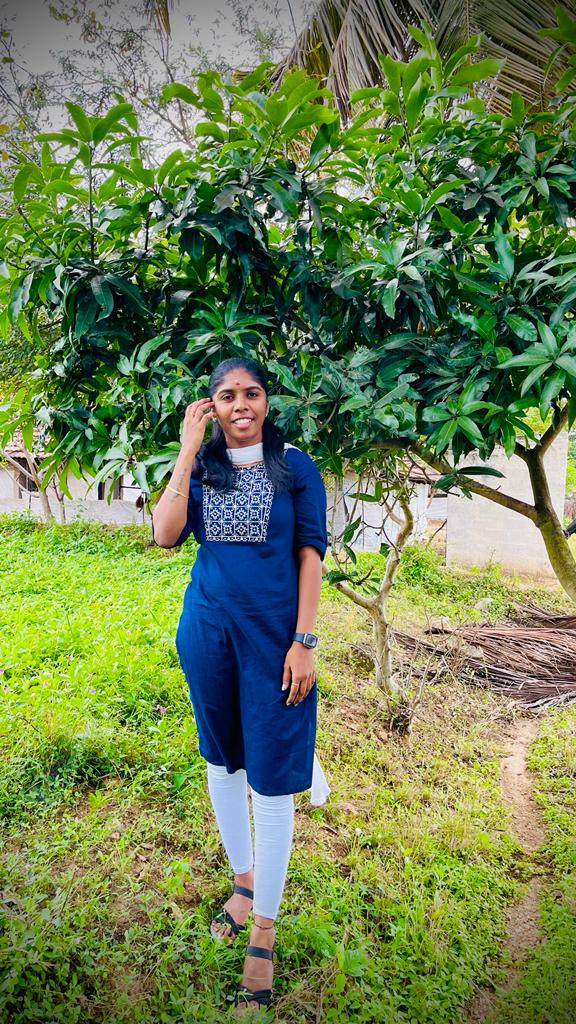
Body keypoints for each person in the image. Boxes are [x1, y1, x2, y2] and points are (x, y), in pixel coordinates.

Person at [151, 356, 329, 1014]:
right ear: (212, 406)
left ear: (267, 401)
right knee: (222, 760)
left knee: (272, 781)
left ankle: (264, 933)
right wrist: (187, 448)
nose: (240, 404)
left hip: (276, 642)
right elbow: (165, 534)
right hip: (209, 634)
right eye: (226, 396)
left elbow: (310, 553)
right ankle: (244, 881)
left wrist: (304, 641)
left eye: (251, 393)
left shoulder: (296, 467)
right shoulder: (202, 466)